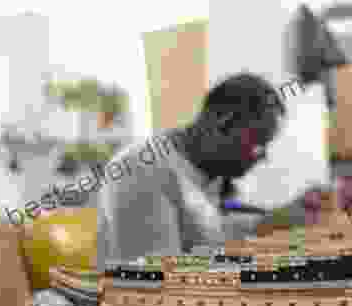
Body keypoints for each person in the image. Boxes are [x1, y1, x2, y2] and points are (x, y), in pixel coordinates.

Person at [97, 72, 292, 267]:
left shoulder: (207, 168)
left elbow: (205, 234)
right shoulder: (141, 171)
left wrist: (274, 222)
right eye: (258, 143)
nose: (263, 157)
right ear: (223, 122)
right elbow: (159, 279)